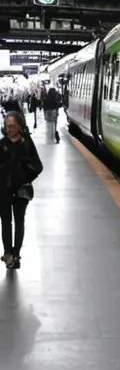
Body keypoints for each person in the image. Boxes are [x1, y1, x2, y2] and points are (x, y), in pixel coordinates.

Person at [0, 110, 43, 270]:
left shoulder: (26, 143)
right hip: (3, 189)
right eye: (7, 126)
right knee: (5, 221)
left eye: (12, 126)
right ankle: (7, 253)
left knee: (19, 221)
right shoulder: (2, 144)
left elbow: (38, 165)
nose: (9, 129)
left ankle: (16, 254)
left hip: (21, 189)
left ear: (19, 126)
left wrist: (25, 176)